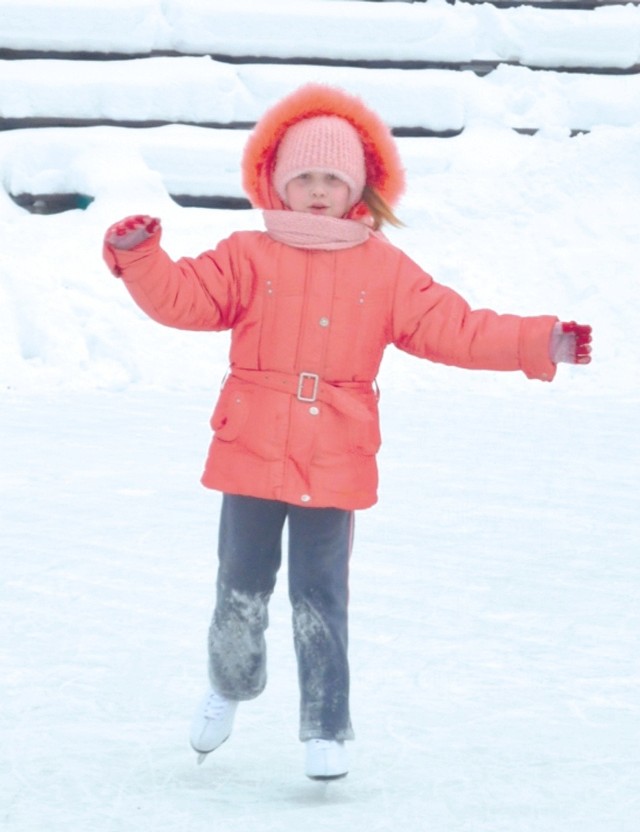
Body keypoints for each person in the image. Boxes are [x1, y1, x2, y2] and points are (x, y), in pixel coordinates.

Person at [102, 83, 592, 781]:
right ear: (278, 182)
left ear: (357, 185)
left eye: (332, 177)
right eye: (303, 177)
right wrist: (142, 259)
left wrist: (538, 342)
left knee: (319, 591)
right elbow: (184, 300)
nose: (317, 190)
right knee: (240, 582)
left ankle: (326, 725)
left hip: (334, 454)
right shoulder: (247, 253)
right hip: (251, 446)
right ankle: (228, 686)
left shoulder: (382, 268)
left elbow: (454, 328)